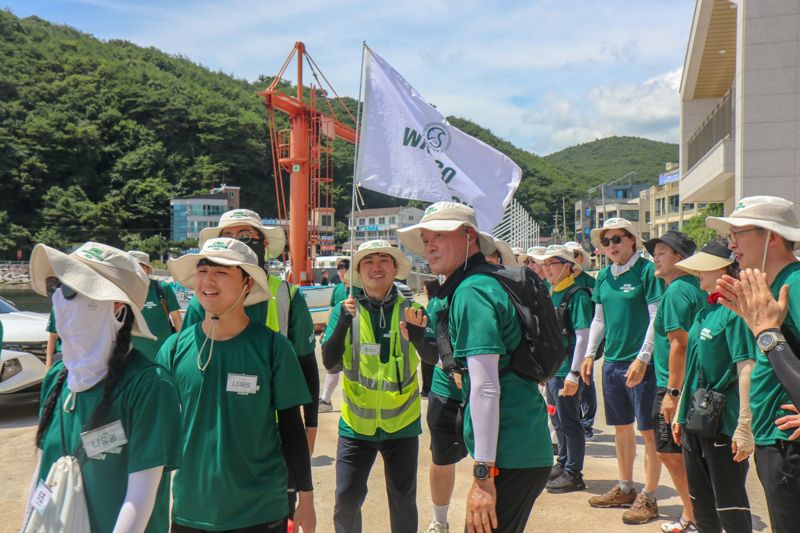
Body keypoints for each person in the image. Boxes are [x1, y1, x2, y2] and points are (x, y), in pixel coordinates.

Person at [398, 202, 553, 533]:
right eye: (426, 239)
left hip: (510, 455)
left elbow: (485, 386)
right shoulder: (482, 283)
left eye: (440, 235)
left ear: (469, 236)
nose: (429, 246)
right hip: (522, 448)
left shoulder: (472, 291)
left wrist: (483, 476)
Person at [159, 238, 315, 532]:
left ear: (247, 284)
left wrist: (306, 499)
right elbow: (155, 430)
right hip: (190, 510)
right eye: (203, 271)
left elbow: (292, 428)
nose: (208, 280)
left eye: (222, 272)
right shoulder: (174, 348)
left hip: (261, 510)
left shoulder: (273, 348)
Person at [24, 242, 182, 532]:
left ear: (117, 307)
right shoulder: (57, 378)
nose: (59, 298)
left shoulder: (150, 386)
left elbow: (140, 499)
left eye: (73, 289)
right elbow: (41, 474)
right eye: (55, 286)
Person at [184, 209, 319, 460]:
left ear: (263, 244)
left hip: (275, 428)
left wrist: (310, 426)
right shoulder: (201, 300)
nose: (236, 241)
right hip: (215, 426)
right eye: (229, 236)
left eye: (246, 236)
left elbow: (307, 365)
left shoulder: (287, 296)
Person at [321, 240, 433, 533]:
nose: (377, 266)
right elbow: (330, 362)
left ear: (395, 268)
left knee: (403, 500)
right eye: (369, 261)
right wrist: (344, 324)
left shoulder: (410, 309)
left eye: (385, 259)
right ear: (358, 270)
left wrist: (421, 338)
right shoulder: (344, 310)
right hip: (356, 424)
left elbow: (433, 358)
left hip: (402, 423)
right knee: (346, 498)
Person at [705, 196, 800, 532]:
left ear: (772, 236)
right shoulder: (773, 285)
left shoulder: (795, 284)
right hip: (774, 437)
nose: (731, 246)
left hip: (787, 442)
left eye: (738, 234)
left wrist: (765, 331)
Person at [580, 217, 663, 525]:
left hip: (641, 362)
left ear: (631, 240)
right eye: (606, 241)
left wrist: (643, 358)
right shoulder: (603, 276)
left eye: (617, 239)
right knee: (621, 428)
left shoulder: (646, 272)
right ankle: (626, 487)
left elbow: (656, 316)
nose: (611, 246)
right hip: (613, 361)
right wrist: (590, 354)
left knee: (649, 432)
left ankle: (650, 495)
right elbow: (599, 320)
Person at [670, 239, 755, 533]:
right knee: (702, 505)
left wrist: (745, 425)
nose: (697, 274)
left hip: (723, 422)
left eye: (702, 268)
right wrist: (681, 412)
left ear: (722, 269)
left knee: (730, 508)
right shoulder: (706, 309)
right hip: (697, 418)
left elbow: (747, 368)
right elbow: (693, 367)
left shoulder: (735, 313)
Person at [644, 231, 703, 533]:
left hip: (674, 385)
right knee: (675, 451)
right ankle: (695, 513)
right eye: (655, 251)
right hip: (681, 383)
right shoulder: (686, 286)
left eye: (663, 251)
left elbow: (679, 343)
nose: (655, 256)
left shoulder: (678, 289)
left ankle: (693, 516)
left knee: (670, 452)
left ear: (680, 258)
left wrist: (672, 392)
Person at [534, 245, 593, 494]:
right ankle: (564, 463)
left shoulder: (576, 294)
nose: (547, 269)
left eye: (552, 264)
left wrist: (574, 373)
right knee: (557, 421)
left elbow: (583, 335)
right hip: (554, 370)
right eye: (544, 265)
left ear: (569, 266)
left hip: (567, 370)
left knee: (570, 422)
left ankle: (574, 473)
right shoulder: (551, 291)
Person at [564, 241, 598, 439]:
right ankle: (574, 420)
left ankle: (586, 422)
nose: (573, 257)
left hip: (584, 340)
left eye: (575, 254)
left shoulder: (589, 283)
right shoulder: (558, 283)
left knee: (585, 381)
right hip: (564, 342)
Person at [321, 259, 361, 413]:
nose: (341, 272)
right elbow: (332, 311)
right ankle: (325, 399)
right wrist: (326, 329)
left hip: (354, 335)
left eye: (344, 269)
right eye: (339, 270)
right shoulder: (337, 289)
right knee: (333, 368)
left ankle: (352, 402)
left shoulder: (358, 289)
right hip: (337, 333)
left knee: (352, 369)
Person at [127, 250, 182, 361]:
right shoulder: (124, 289)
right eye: (132, 267)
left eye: (140, 267)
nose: (136, 271)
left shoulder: (162, 288)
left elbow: (176, 318)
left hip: (161, 352)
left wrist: (182, 344)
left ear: (147, 270)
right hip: (133, 354)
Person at [419, 278, 440, 398]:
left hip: (433, 339)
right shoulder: (438, 300)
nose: (423, 289)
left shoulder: (434, 302)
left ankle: (427, 390)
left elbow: (431, 322)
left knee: (427, 364)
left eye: (424, 287)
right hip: (437, 338)